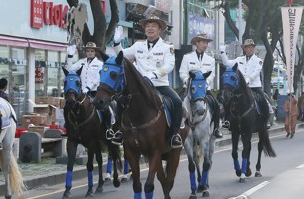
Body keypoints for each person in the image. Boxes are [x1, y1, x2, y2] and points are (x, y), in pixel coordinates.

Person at [112, 18, 183, 148]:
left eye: (154, 26)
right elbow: (122, 55)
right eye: (148, 26)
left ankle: (174, 134)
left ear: (160, 30)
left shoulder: (168, 47)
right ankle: (119, 131)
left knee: (177, 102)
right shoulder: (138, 46)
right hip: (140, 87)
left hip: (160, 85)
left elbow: (169, 65)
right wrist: (116, 43)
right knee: (121, 102)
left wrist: (154, 74)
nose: (150, 28)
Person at [65, 42, 114, 140]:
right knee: (67, 107)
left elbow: (99, 77)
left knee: (107, 109)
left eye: (92, 51)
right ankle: (68, 128)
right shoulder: (81, 62)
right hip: (81, 92)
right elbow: (69, 70)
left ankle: (108, 129)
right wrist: (70, 57)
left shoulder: (100, 64)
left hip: (95, 91)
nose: (90, 53)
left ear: (95, 52)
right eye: (88, 51)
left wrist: (88, 87)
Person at [219, 39, 272, 128]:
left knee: (263, 100)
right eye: (248, 47)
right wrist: (222, 52)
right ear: (245, 49)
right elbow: (227, 63)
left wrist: (248, 79)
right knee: (229, 100)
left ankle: (266, 120)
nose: (250, 49)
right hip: (240, 88)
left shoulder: (258, 60)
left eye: (252, 47)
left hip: (254, 86)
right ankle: (227, 120)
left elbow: (256, 72)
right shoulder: (239, 59)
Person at [179, 33, 222, 138]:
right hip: (189, 88)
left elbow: (212, 74)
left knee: (216, 105)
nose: (205, 44)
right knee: (177, 103)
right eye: (203, 42)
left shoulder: (210, 59)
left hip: (204, 90)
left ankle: (216, 129)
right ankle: (176, 131)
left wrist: (205, 84)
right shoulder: (187, 57)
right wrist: (188, 82)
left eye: (206, 42)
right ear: (197, 43)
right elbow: (182, 72)